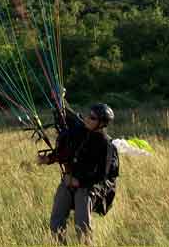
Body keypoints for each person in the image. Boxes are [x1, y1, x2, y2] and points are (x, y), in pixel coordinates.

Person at [36, 102, 117, 245]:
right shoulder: (79, 133)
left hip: (87, 187)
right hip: (68, 181)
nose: (87, 119)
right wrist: (48, 159)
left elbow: (103, 176)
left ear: (102, 123)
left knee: (82, 225)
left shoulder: (107, 145)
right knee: (56, 220)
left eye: (92, 118)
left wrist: (79, 182)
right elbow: (65, 152)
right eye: (88, 115)